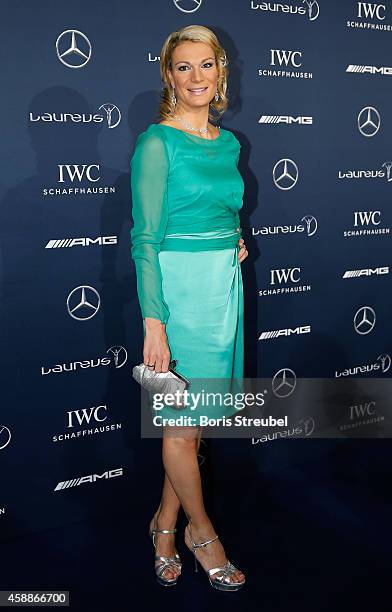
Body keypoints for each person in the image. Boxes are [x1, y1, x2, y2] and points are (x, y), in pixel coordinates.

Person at [130, 25, 248, 591]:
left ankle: (163, 525)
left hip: (221, 291)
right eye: (183, 67)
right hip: (176, 296)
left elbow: (224, 206)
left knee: (194, 427)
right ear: (169, 76)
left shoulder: (229, 144)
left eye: (206, 65)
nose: (196, 77)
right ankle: (203, 534)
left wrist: (235, 238)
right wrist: (154, 319)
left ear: (220, 71)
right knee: (180, 426)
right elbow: (145, 238)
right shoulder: (157, 143)